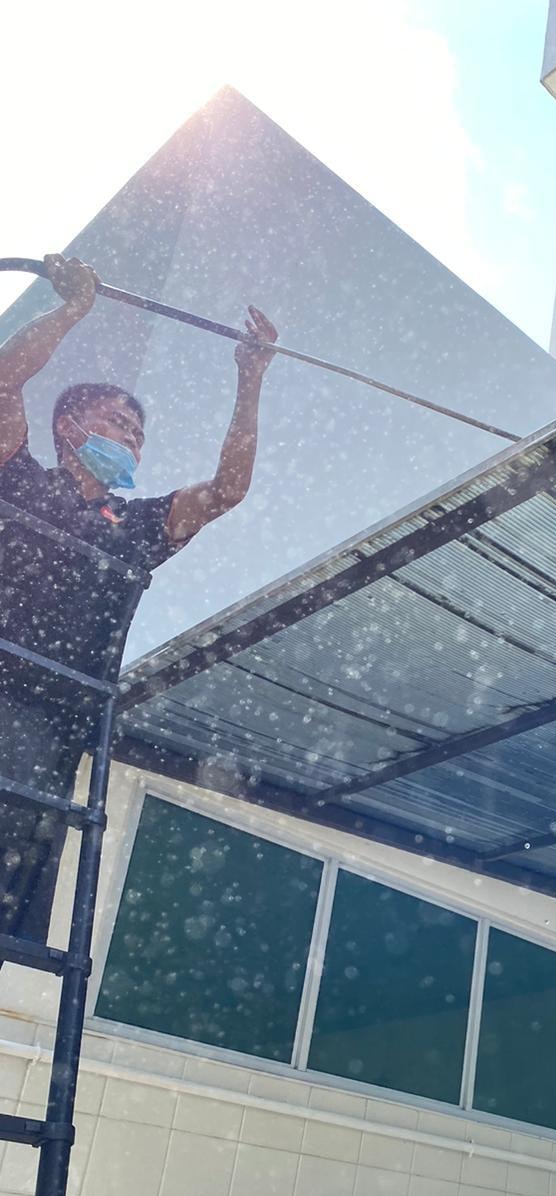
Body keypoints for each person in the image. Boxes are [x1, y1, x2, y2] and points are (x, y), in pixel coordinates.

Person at [0, 252, 278, 952]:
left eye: (138, 432)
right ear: (68, 427)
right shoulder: (19, 478)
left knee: (12, 867)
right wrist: (70, 310)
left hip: (50, 716)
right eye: (117, 421)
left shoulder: (133, 528)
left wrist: (250, 377)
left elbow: (226, 490)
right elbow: (5, 379)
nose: (131, 435)